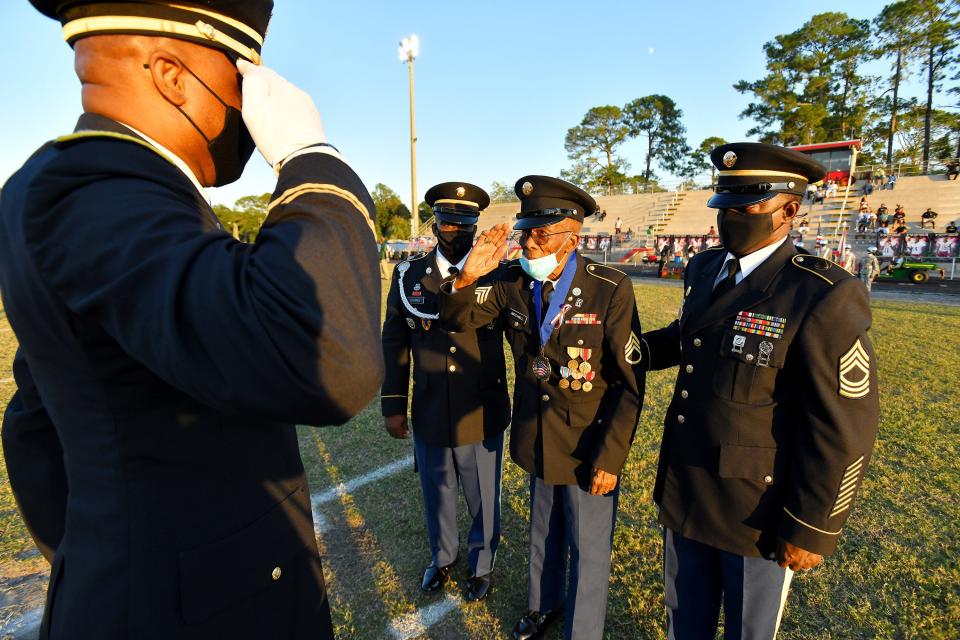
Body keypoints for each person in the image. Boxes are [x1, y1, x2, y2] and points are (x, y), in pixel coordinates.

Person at [0, 2, 384, 638]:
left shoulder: (94, 186)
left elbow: (35, 427)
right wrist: (310, 156)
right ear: (173, 76)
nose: (249, 102)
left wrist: (105, 552)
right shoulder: (98, 189)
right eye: (241, 74)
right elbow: (330, 359)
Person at [639, 142, 879, 640]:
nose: (728, 218)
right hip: (689, 486)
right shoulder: (705, 269)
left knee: (749, 630)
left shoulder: (821, 292)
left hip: (757, 511)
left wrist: (811, 525)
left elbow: (844, 428)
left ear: (789, 210)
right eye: (723, 205)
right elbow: (688, 338)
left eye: (744, 205)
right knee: (686, 621)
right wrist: (617, 352)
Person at [439, 176, 645, 640]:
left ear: (573, 235)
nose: (529, 241)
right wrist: (468, 276)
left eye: (541, 233)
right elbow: (456, 319)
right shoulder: (513, 280)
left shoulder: (609, 288)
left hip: (588, 443)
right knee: (543, 531)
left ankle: (582, 630)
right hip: (537, 436)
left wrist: (611, 458)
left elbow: (629, 385)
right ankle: (541, 606)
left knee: (587, 548)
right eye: (526, 230)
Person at [381, 182, 510, 602]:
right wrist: (393, 404)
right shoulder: (408, 275)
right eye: (447, 221)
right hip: (432, 405)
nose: (455, 230)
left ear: (476, 227)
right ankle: (441, 557)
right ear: (434, 224)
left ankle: (482, 563)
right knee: (436, 490)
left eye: (464, 223)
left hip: (480, 407)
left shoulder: (499, 273)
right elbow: (395, 342)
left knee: (481, 494)